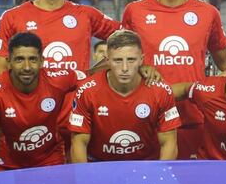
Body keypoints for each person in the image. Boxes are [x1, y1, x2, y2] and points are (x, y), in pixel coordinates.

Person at [121, 0, 226, 160]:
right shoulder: (135, 11)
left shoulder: (208, 13)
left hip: (194, 118)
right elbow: (120, 59)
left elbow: (225, 66)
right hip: (146, 116)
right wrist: (139, 67)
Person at [0, 32, 84, 172]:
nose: (27, 67)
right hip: (6, 165)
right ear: (8, 61)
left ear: (42, 61)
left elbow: (89, 79)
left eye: (33, 59)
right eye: (19, 59)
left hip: (50, 162)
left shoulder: (59, 79)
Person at [69, 30, 181, 162]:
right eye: (117, 60)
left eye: (131, 59)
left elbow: (169, 142)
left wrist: (161, 176)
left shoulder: (161, 91)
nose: (125, 68)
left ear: (141, 60)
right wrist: (85, 180)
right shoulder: (86, 91)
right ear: (107, 61)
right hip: (100, 165)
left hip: (146, 165)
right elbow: (79, 143)